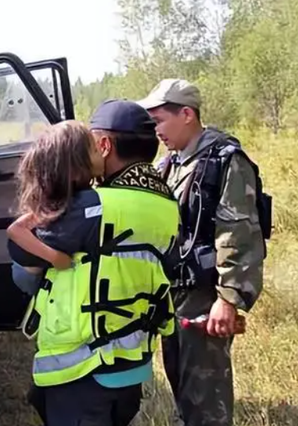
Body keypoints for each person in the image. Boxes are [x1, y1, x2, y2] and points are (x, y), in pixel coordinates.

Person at [7, 101, 181, 426]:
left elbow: (23, 267)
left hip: (81, 369)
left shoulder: (94, 205)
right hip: (133, 361)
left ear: (105, 145)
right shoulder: (167, 204)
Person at [137, 79, 270, 426]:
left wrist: (227, 299)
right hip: (173, 294)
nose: (156, 131)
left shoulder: (225, 160)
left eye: (159, 121)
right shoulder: (172, 163)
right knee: (182, 386)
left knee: (206, 398)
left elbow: (239, 232)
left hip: (205, 295)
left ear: (186, 114)